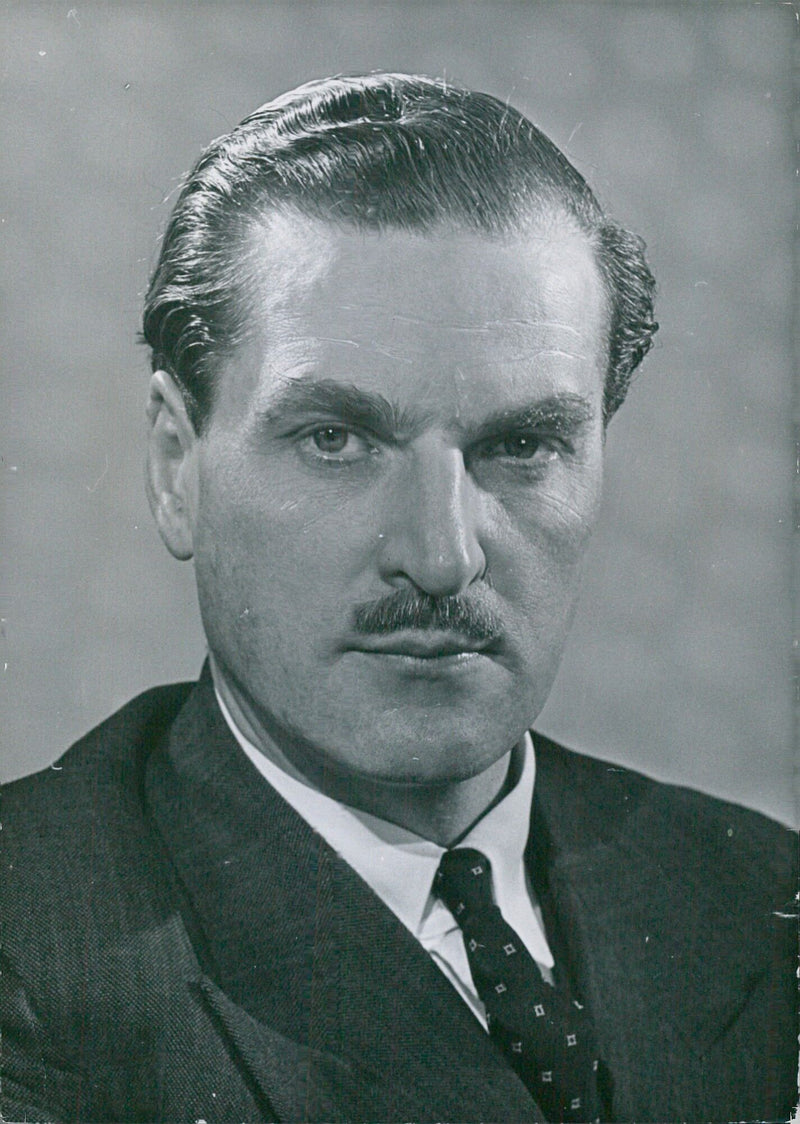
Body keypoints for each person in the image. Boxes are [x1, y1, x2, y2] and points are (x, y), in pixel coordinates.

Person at [2, 73, 795, 1124]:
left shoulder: (759, 895)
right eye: (334, 439)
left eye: (521, 445)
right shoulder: (29, 947)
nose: (440, 554)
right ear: (174, 465)